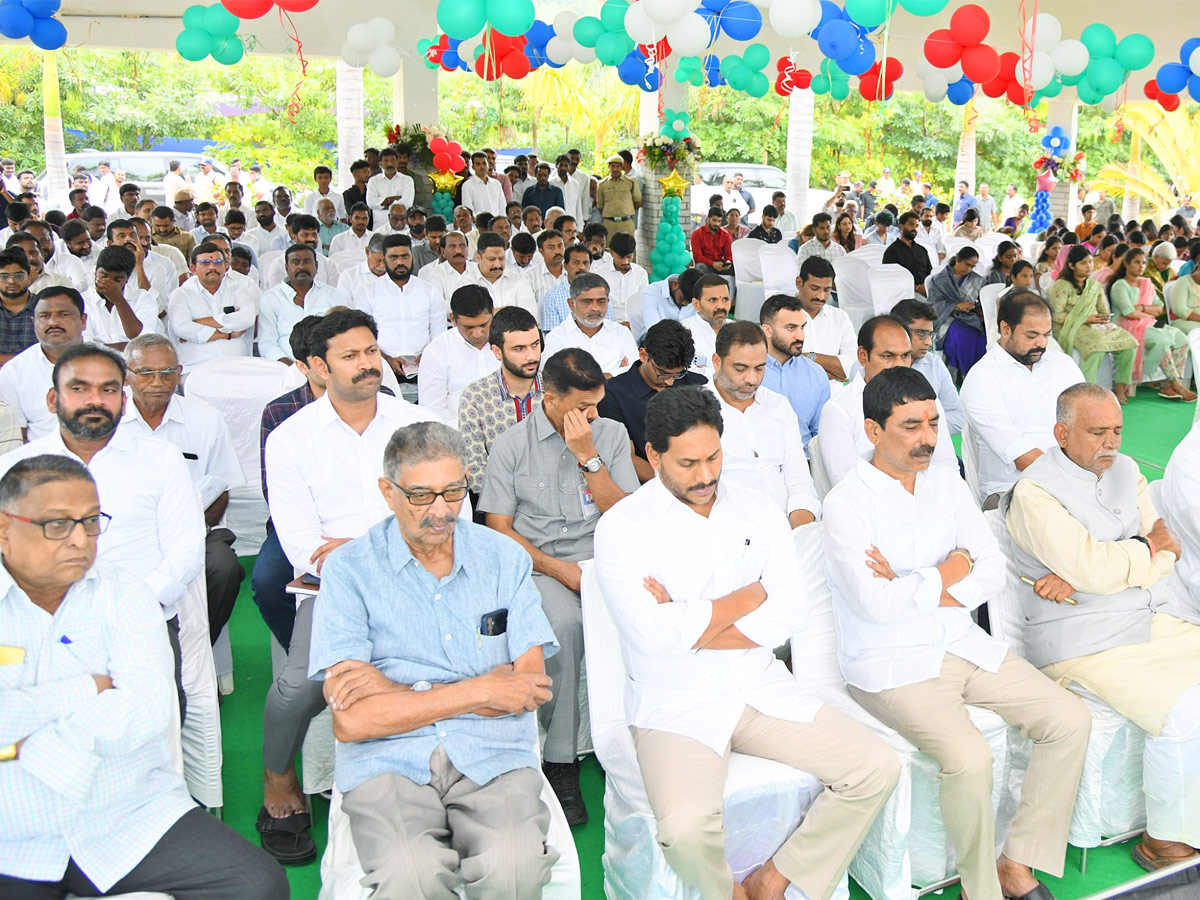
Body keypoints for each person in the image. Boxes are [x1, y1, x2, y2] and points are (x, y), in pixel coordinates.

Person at [594, 385, 900, 900]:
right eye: (688, 463)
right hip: (675, 701)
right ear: (653, 454)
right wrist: (746, 598)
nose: (706, 475)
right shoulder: (621, 527)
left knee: (877, 767)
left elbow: (790, 613)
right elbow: (648, 635)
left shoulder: (757, 508)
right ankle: (731, 895)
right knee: (685, 829)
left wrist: (688, 623)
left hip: (759, 688)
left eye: (714, 456)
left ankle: (772, 880)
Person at [824, 367, 1091, 900]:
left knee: (1069, 719)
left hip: (961, 642)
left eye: (932, 423)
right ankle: (981, 886)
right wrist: (950, 570)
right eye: (910, 426)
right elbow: (877, 608)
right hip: (890, 662)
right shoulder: (846, 503)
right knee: (969, 758)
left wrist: (919, 585)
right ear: (874, 432)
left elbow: (990, 569)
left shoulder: (946, 480)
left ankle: (1017, 863)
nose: (928, 438)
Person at [0, 454, 289, 900]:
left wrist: (23, 737)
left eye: (91, 521)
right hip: (13, 827)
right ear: (5, 527)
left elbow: (149, 712)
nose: (80, 540)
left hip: (123, 811)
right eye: (58, 524)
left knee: (257, 885)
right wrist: (85, 689)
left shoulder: (123, 593)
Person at [307, 420, 562, 898]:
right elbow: (354, 723)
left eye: (454, 492)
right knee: (410, 876)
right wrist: (483, 688)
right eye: (422, 496)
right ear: (388, 491)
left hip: (493, 754)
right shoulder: (349, 570)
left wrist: (396, 692)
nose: (442, 511)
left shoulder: (504, 558)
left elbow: (528, 690)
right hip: (387, 762)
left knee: (516, 867)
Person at [261, 308, 443, 864]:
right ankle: (278, 783)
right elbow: (302, 546)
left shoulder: (416, 425)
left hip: (422, 577)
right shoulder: (291, 438)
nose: (368, 365)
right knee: (297, 689)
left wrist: (362, 542)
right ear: (318, 366)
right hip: (335, 588)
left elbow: (439, 516)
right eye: (350, 356)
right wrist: (386, 539)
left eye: (371, 351)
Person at [1004, 383, 1200, 874]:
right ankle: (1163, 839)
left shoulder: (1127, 470)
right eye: (1097, 433)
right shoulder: (1035, 491)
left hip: (1144, 614)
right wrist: (1133, 553)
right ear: (1062, 433)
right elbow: (1099, 567)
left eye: (1116, 430)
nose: (1111, 443)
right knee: (1183, 707)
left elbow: (1168, 549)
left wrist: (1094, 570)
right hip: (1079, 639)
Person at [0, 342, 205, 720]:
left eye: (108, 389)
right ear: (52, 399)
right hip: (39, 632)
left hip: (141, 626)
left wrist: (127, 610)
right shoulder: (13, 470)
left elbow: (186, 551)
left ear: (123, 400)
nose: (95, 400)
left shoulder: (161, 459)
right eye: (79, 388)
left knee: (154, 740)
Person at [480, 348, 638, 823]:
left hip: (606, 557)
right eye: (583, 407)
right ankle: (561, 761)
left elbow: (625, 516)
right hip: (542, 565)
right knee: (566, 629)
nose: (594, 415)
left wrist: (589, 457)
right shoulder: (512, 445)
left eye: (598, 403)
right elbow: (498, 529)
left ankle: (631, 744)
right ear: (550, 399)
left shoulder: (609, 435)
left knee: (643, 619)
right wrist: (557, 569)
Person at [120, 334, 245, 643]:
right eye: (146, 373)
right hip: (127, 531)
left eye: (167, 372)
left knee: (224, 567)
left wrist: (194, 529)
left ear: (179, 373)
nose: (158, 381)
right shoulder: (109, 419)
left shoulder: (204, 418)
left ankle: (196, 647)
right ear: (126, 374)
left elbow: (221, 487)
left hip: (197, 528)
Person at [961, 291, 1085, 504]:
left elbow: (1089, 422)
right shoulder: (982, 378)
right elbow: (1020, 455)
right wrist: (1075, 483)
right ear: (1005, 329)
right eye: (1032, 335)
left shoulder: (1062, 365)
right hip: (1013, 492)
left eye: (1047, 335)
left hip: (1073, 480)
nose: (1041, 344)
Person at [818, 315, 957, 487]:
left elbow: (947, 467)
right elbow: (846, 486)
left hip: (931, 503)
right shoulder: (840, 410)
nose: (899, 365)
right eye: (888, 356)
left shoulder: (926, 400)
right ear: (863, 356)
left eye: (906, 356)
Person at [707, 321, 819, 526]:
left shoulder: (778, 406)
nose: (752, 379)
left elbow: (800, 483)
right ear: (717, 362)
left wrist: (798, 535)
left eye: (760, 368)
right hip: (727, 535)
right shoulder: (695, 411)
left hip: (787, 530)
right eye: (740, 368)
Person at [598, 319, 706, 483]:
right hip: (649, 485)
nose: (670, 382)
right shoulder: (613, 394)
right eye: (663, 373)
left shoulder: (698, 386)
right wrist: (674, 483)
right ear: (643, 355)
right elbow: (624, 457)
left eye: (678, 374)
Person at [458, 306, 543, 498]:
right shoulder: (476, 396)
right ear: (497, 352)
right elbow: (476, 472)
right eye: (519, 349)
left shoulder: (558, 389)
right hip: (499, 505)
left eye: (535, 345)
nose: (531, 356)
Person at [1047, 245, 1137, 401]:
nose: (1088, 266)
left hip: (1094, 326)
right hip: (1069, 328)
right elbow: (1056, 316)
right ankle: (1086, 392)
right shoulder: (1061, 286)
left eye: (1090, 262)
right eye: (1083, 263)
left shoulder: (1094, 286)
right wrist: (1085, 319)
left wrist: (1104, 318)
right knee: (1095, 347)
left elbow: (1103, 309)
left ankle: (1120, 386)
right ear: (1071, 265)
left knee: (1129, 342)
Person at [0, 286, 90, 441]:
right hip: (42, 461)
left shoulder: (112, 365)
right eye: (44, 316)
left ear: (83, 321)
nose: (53, 322)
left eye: (64, 314)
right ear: (33, 322)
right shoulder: (14, 371)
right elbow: (16, 437)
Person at [1108, 248, 1195, 401]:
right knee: (1162, 341)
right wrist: (1146, 311)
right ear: (1127, 264)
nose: (1141, 266)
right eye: (1137, 262)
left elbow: (1159, 307)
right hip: (1127, 327)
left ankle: (1168, 385)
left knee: (1182, 339)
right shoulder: (1119, 286)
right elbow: (1128, 313)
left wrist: (1141, 308)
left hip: (1149, 323)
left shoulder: (1146, 283)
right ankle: (1176, 384)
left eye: (1143, 263)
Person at [356, 233, 444, 379]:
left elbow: (438, 331)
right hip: (380, 366)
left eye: (405, 256)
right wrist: (385, 359)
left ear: (413, 258)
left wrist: (428, 355)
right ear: (384, 260)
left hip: (425, 365)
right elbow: (362, 335)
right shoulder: (367, 292)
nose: (400, 262)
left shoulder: (430, 290)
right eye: (393, 258)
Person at [417, 284, 500, 425]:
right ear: (453, 320)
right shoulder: (436, 351)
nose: (477, 334)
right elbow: (432, 410)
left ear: (492, 314)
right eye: (469, 327)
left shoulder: (508, 341)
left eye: (484, 325)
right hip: (456, 434)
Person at [757, 293, 829, 453]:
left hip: (805, 461)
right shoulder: (746, 372)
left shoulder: (816, 374)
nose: (800, 336)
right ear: (767, 330)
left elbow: (821, 435)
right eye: (791, 328)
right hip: (758, 464)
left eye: (802, 327)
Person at [167, 242, 259, 366]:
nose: (212, 267)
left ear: (226, 266)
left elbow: (247, 319)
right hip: (195, 366)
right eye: (205, 263)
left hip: (237, 364)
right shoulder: (181, 294)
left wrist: (198, 322)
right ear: (193, 268)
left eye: (217, 262)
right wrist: (228, 335)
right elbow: (181, 328)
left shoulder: (240, 290)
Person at [890, 298, 963, 434]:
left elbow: (958, 416)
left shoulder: (934, 364)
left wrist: (917, 427)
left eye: (930, 335)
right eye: (921, 334)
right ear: (899, 330)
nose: (928, 342)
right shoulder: (872, 365)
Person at [542, 272, 638, 377]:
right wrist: (612, 374)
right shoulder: (557, 337)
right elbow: (554, 375)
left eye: (601, 302)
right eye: (587, 302)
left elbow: (635, 370)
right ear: (571, 304)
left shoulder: (621, 333)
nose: (595, 308)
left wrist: (577, 375)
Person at [257, 244, 340, 363]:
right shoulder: (270, 298)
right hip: (284, 369)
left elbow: (343, 336)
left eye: (307, 262)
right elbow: (267, 343)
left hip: (327, 367)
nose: (301, 267)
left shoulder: (333, 296)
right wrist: (291, 369)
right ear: (286, 268)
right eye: (295, 262)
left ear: (316, 266)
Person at [79, 245, 159, 348]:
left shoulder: (143, 298)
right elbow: (85, 346)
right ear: (95, 272)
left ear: (128, 278)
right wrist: (127, 347)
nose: (110, 283)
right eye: (104, 276)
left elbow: (142, 341)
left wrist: (119, 301)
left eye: (117, 280)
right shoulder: (83, 300)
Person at [794, 257, 856, 384]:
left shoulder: (840, 318)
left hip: (834, 395)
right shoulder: (782, 314)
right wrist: (833, 374)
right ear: (799, 283)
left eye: (827, 290)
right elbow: (784, 365)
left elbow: (852, 366)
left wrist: (810, 357)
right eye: (815, 288)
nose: (821, 296)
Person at [929, 247, 986, 379]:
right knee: (961, 335)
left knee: (981, 337)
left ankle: (978, 376)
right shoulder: (940, 280)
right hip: (946, 318)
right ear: (958, 259)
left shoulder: (976, 280)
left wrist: (975, 306)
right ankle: (962, 376)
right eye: (967, 265)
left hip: (969, 317)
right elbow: (932, 305)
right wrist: (956, 306)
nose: (969, 270)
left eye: (972, 266)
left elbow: (981, 301)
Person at [591, 231, 648, 330]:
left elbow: (644, 304)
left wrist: (633, 324)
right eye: (621, 258)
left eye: (629, 257)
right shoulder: (600, 274)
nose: (625, 262)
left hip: (635, 327)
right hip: (607, 326)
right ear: (612, 253)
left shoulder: (641, 274)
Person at [682, 273, 731, 377]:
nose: (721, 306)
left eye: (725, 299)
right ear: (696, 304)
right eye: (713, 300)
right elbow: (685, 371)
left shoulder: (738, 331)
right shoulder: (683, 331)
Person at [883, 212, 933, 298]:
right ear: (901, 226)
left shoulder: (922, 250)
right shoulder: (892, 251)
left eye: (916, 226)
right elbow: (891, 279)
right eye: (911, 224)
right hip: (906, 294)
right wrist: (916, 288)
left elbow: (930, 273)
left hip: (927, 291)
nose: (914, 228)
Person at [640, 267, 698, 341]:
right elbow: (654, 330)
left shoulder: (698, 295)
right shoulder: (652, 292)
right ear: (675, 284)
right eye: (684, 298)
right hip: (657, 342)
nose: (686, 304)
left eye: (690, 302)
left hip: (687, 343)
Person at [0, 247, 36, 363]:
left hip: (35, 375)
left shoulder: (42, 307)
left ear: (30, 275)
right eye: (4, 276)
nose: (11, 281)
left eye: (18, 275)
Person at [596, 154, 641, 238]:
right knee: (609, 249)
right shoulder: (602, 184)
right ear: (608, 167)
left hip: (626, 223)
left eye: (618, 166)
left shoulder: (630, 182)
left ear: (622, 167)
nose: (615, 169)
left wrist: (625, 211)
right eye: (612, 166)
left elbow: (638, 202)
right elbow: (600, 206)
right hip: (609, 224)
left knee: (628, 248)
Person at [366, 147, 415, 216]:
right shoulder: (373, 181)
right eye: (386, 161)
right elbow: (371, 203)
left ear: (397, 161)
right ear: (380, 164)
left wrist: (384, 204)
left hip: (400, 222)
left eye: (392, 160)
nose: (390, 164)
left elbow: (407, 203)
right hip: (379, 223)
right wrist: (391, 199)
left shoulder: (407, 180)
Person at [692, 207, 735, 277]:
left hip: (720, 265)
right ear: (708, 219)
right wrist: (713, 264)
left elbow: (729, 254)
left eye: (719, 221)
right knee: (700, 267)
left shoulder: (725, 234)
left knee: (736, 268)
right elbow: (697, 256)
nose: (716, 224)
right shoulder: (697, 234)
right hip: (705, 264)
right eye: (714, 220)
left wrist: (728, 262)